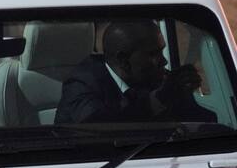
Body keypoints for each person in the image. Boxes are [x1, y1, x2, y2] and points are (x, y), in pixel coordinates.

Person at [55, 20, 217, 124]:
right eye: (153, 54)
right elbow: (99, 128)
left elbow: (201, 123)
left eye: (162, 52)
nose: (164, 61)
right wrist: (159, 99)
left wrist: (183, 92)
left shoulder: (157, 79)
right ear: (123, 60)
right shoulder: (82, 83)